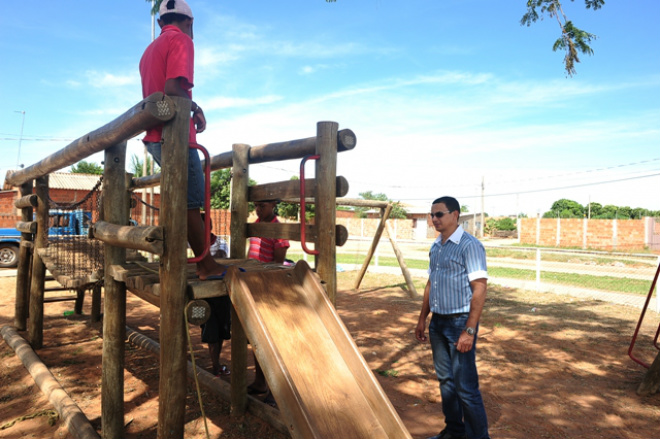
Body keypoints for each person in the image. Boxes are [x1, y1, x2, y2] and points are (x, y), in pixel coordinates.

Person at [139, 0, 226, 280]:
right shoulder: (182, 41)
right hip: (175, 136)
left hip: (155, 134)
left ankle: (191, 259)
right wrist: (191, 108)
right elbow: (174, 88)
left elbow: (163, 91)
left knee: (181, 201)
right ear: (189, 23)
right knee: (191, 203)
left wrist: (194, 106)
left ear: (160, 22)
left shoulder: (148, 51)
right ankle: (206, 264)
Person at [415, 196, 491, 439]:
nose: (434, 219)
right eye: (432, 215)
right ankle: (455, 432)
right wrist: (422, 319)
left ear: (455, 215)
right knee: (446, 382)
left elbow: (479, 288)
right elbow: (431, 283)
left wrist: (469, 330)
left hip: (460, 322)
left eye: (439, 214)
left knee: (466, 387)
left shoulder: (470, 245)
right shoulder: (436, 245)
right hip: (438, 323)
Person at [247, 199, 290, 406]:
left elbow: (278, 264)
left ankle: (276, 389)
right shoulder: (256, 225)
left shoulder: (277, 229)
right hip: (253, 286)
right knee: (256, 338)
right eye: (256, 205)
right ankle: (260, 382)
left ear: (272, 205)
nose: (258, 209)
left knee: (271, 340)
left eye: (262, 205)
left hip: (269, 290)